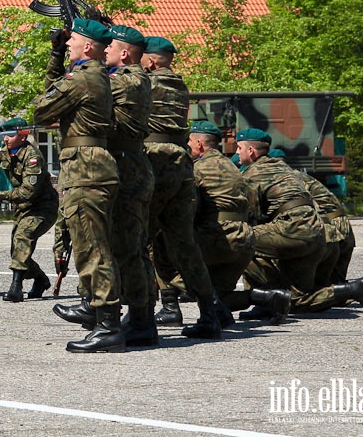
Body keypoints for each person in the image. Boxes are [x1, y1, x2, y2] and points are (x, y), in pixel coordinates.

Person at [33, 18, 122, 353]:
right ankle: (100, 316)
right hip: (91, 165)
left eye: (71, 41)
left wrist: (54, 60)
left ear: (87, 47)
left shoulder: (83, 78)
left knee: (92, 249)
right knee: (93, 245)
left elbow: (42, 109)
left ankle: (108, 326)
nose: (66, 43)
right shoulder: (95, 76)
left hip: (86, 169)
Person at [237, 129, 363, 320]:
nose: (237, 152)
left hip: (295, 231)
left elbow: (251, 216)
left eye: (239, 148)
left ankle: (266, 299)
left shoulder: (253, 174)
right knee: (298, 298)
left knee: (240, 239)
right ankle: (359, 288)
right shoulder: (285, 169)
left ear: (251, 151)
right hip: (320, 233)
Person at [142, 36, 223, 339]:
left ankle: (141, 317)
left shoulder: (145, 84)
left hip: (155, 165)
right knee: (184, 245)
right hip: (181, 167)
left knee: (139, 243)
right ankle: (210, 311)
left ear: (149, 61)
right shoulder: (178, 84)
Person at [185, 123, 291, 324]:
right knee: (219, 296)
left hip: (217, 238)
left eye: (189, 142)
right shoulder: (235, 169)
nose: (187, 147)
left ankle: (169, 307)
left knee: (171, 260)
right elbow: (253, 208)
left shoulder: (197, 169)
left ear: (199, 144)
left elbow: (188, 208)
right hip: (245, 240)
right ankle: (268, 297)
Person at [104, 25, 158, 346]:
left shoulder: (129, 80)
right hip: (129, 167)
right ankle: (139, 317)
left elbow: (91, 88)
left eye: (109, 46)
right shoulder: (131, 78)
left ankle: (141, 321)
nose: (104, 50)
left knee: (131, 250)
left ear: (124, 53)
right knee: (129, 249)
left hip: (129, 171)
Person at [0, 117, 58, 302]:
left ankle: (16, 288)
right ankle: (40, 279)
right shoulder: (4, 152)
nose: (6, 139)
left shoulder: (33, 157)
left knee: (23, 239)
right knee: (17, 250)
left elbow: (27, 192)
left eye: (10, 135)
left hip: (42, 207)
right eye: (3, 135)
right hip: (24, 208)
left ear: (23, 136)